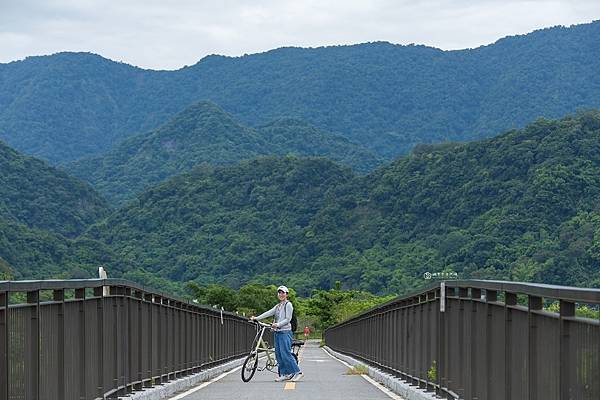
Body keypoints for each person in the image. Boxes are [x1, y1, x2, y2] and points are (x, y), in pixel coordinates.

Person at [251, 285, 303, 382]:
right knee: (279, 355)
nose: (281, 294)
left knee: (286, 354)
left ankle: (298, 372)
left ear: (287, 294)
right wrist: (256, 318)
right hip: (278, 332)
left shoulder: (288, 305)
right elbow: (268, 313)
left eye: (283, 292)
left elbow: (288, 319)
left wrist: (277, 324)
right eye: (279, 292)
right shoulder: (278, 306)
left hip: (285, 332)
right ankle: (284, 374)